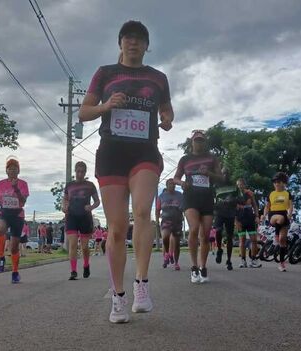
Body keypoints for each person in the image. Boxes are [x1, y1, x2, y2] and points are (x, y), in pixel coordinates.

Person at [79, 20, 174, 323]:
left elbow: (167, 108)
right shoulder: (105, 73)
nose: (133, 43)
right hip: (112, 153)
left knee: (144, 212)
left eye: (139, 39)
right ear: (120, 43)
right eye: (128, 38)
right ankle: (118, 297)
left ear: (147, 46)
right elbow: (84, 112)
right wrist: (105, 106)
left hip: (145, 151)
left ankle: (142, 285)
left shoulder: (157, 78)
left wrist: (167, 118)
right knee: (117, 227)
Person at [174, 130, 223, 284]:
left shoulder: (211, 158)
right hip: (190, 197)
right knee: (194, 228)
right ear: (192, 142)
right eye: (197, 140)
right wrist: (182, 183)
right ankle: (194, 267)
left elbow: (221, 178)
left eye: (201, 140)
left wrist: (208, 173)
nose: (199, 143)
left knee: (206, 234)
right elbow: (175, 178)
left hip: (207, 197)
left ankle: (203, 267)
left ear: (204, 142)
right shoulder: (185, 159)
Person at [0, 158, 30, 284]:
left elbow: (23, 201)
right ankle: (1, 257)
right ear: (6, 171)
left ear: (18, 170)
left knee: (13, 248)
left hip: (17, 214)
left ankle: (15, 272)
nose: (12, 170)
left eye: (14, 168)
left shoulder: (23, 183)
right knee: (0, 229)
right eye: (10, 168)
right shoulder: (1, 183)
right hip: (4, 212)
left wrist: (16, 188)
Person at [64, 162, 101, 280]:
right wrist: (63, 207)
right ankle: (73, 271)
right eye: (78, 171)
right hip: (71, 217)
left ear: (85, 172)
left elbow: (97, 201)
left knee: (84, 247)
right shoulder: (69, 185)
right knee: (73, 244)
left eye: (82, 171)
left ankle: (86, 265)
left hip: (85, 217)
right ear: (75, 171)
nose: (80, 174)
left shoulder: (90, 185)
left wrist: (91, 207)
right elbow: (65, 199)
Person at [263, 172, 293, 272]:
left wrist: (289, 213)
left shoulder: (287, 194)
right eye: (275, 182)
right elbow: (267, 206)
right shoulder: (271, 194)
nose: (276, 184)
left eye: (278, 182)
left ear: (283, 183)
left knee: (282, 240)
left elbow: (290, 206)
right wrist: (264, 214)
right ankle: (275, 235)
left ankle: (282, 263)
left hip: (284, 215)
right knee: (279, 218)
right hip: (273, 215)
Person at [213, 169, 238, 271]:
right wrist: (214, 207)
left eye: (227, 173)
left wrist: (232, 200)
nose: (225, 175)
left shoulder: (234, 186)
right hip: (219, 213)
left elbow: (239, 199)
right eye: (223, 173)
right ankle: (219, 249)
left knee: (229, 237)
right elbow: (212, 199)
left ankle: (229, 260)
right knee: (218, 231)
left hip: (230, 214)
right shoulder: (217, 186)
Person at [156, 179, 183, 270]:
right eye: (170, 184)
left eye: (174, 184)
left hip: (177, 220)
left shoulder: (179, 195)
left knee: (177, 243)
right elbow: (157, 209)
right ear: (167, 185)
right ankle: (167, 253)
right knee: (165, 237)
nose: (173, 185)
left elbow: (184, 206)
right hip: (166, 220)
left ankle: (176, 263)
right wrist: (156, 220)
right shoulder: (161, 196)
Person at [235, 178, 261, 269]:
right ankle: (243, 261)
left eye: (241, 184)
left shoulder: (250, 193)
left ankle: (253, 260)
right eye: (238, 184)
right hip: (240, 219)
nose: (239, 186)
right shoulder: (235, 195)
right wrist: (236, 221)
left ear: (244, 185)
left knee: (254, 240)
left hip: (250, 218)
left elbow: (255, 205)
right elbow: (232, 209)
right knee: (242, 240)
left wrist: (257, 216)